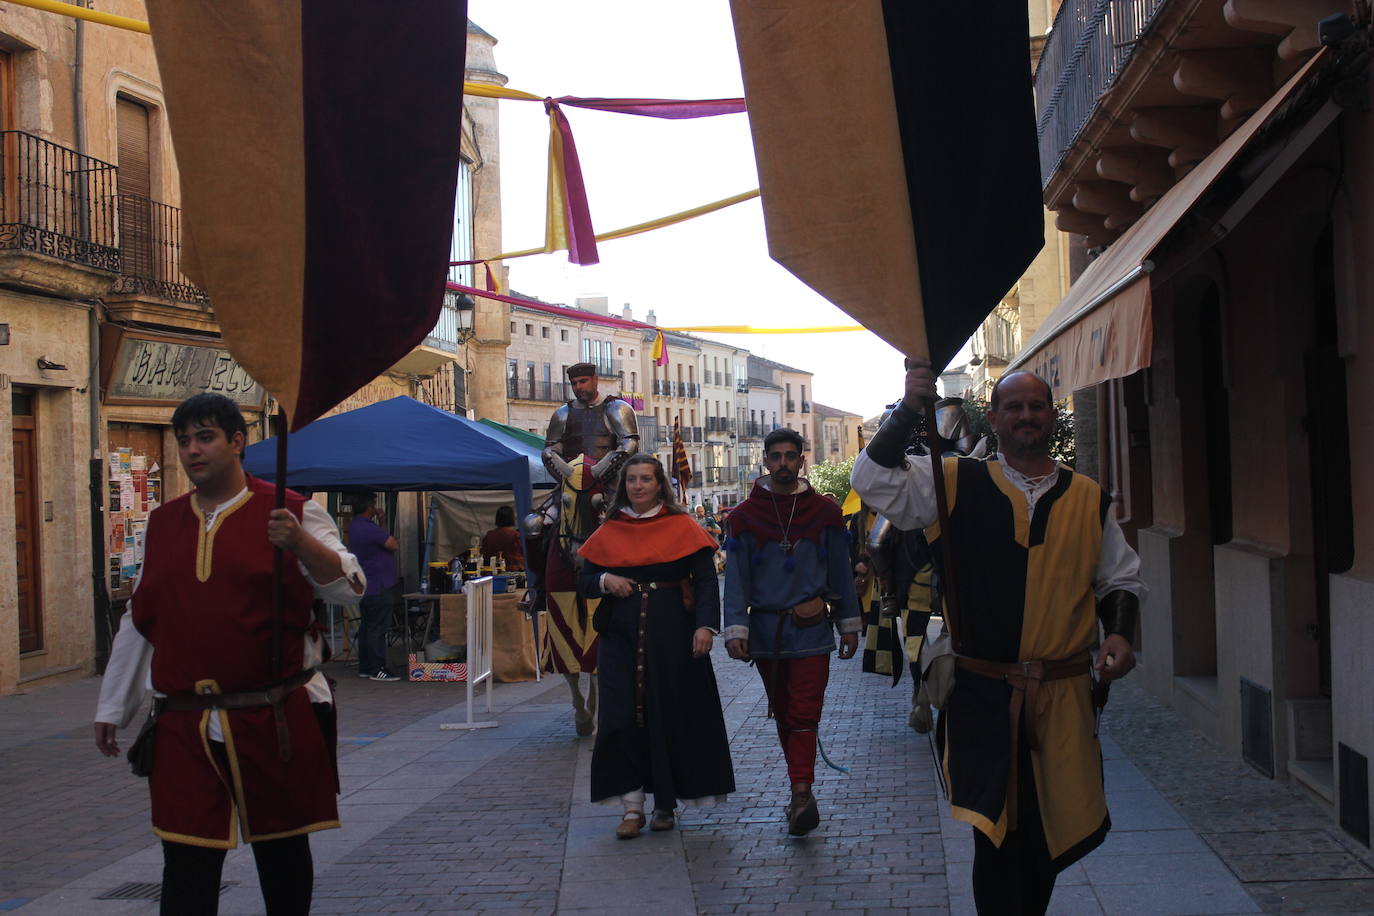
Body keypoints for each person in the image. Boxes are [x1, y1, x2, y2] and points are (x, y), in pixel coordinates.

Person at [852, 362, 1145, 916]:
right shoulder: (953, 480)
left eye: (1037, 406)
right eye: (1015, 407)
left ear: (1052, 415)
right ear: (996, 417)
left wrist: (1122, 636)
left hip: (1062, 694)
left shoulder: (1088, 497)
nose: (1027, 416)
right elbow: (870, 480)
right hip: (984, 695)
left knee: (1050, 833)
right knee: (996, 835)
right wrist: (910, 406)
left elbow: (1118, 578)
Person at [93, 393, 365, 916]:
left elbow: (351, 588)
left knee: (282, 856)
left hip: (273, 715)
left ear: (237, 442)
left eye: (206, 437)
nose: (193, 451)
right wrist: (113, 706)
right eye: (184, 440)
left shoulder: (293, 511)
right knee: (187, 859)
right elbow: (142, 619)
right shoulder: (165, 522)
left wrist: (301, 545)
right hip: (184, 724)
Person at [576, 454, 735, 838]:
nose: (638, 486)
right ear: (624, 485)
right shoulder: (611, 527)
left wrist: (706, 628)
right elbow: (584, 579)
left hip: (672, 635)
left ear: (659, 483)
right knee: (619, 717)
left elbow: (705, 580)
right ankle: (632, 809)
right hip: (620, 638)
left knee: (669, 715)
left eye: (645, 479)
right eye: (631, 480)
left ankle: (665, 804)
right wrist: (605, 581)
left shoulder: (682, 525)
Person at [722, 429, 861, 836]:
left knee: (803, 711)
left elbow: (841, 573)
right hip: (766, 633)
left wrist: (849, 625)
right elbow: (736, 579)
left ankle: (803, 793)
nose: (783, 463)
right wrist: (736, 629)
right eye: (775, 456)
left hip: (812, 629)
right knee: (784, 711)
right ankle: (797, 788)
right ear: (765, 461)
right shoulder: (744, 517)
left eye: (790, 456)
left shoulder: (824, 513)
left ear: (802, 459)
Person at [540, 361, 640, 735]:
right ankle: (537, 590)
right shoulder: (562, 414)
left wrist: (599, 472)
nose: (580, 386)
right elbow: (549, 450)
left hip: (609, 489)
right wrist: (567, 473)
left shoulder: (616, 408)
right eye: (575, 382)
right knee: (536, 526)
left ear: (595, 379)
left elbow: (629, 444)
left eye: (584, 380)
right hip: (569, 488)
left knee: (634, 528)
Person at [349, 492, 401, 681]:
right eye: (373, 504)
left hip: (367, 584)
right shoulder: (367, 527)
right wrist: (382, 524)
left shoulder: (355, 526)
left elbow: (384, 539)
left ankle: (366, 666)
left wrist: (382, 521)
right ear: (368, 507)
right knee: (378, 628)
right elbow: (392, 544)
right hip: (378, 584)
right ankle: (378, 668)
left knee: (368, 626)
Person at [480, 505, 525, 571]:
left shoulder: (489, 535)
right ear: (512, 518)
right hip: (515, 570)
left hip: (493, 571)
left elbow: (485, 555)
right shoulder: (516, 535)